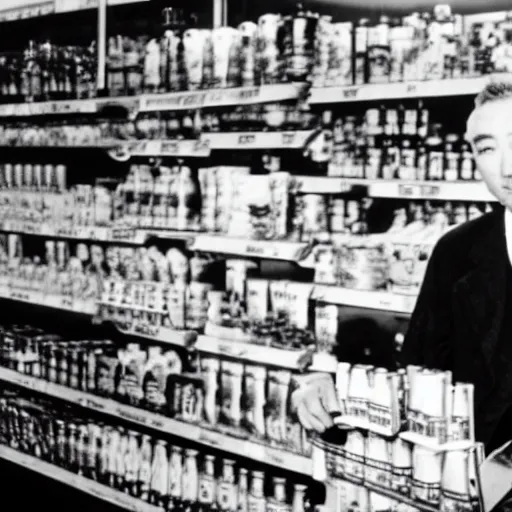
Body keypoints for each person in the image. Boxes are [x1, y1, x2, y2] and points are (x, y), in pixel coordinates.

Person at [292, 78, 512, 455]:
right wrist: (330, 393)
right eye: (488, 148)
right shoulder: (457, 251)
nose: (508, 166)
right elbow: (418, 377)